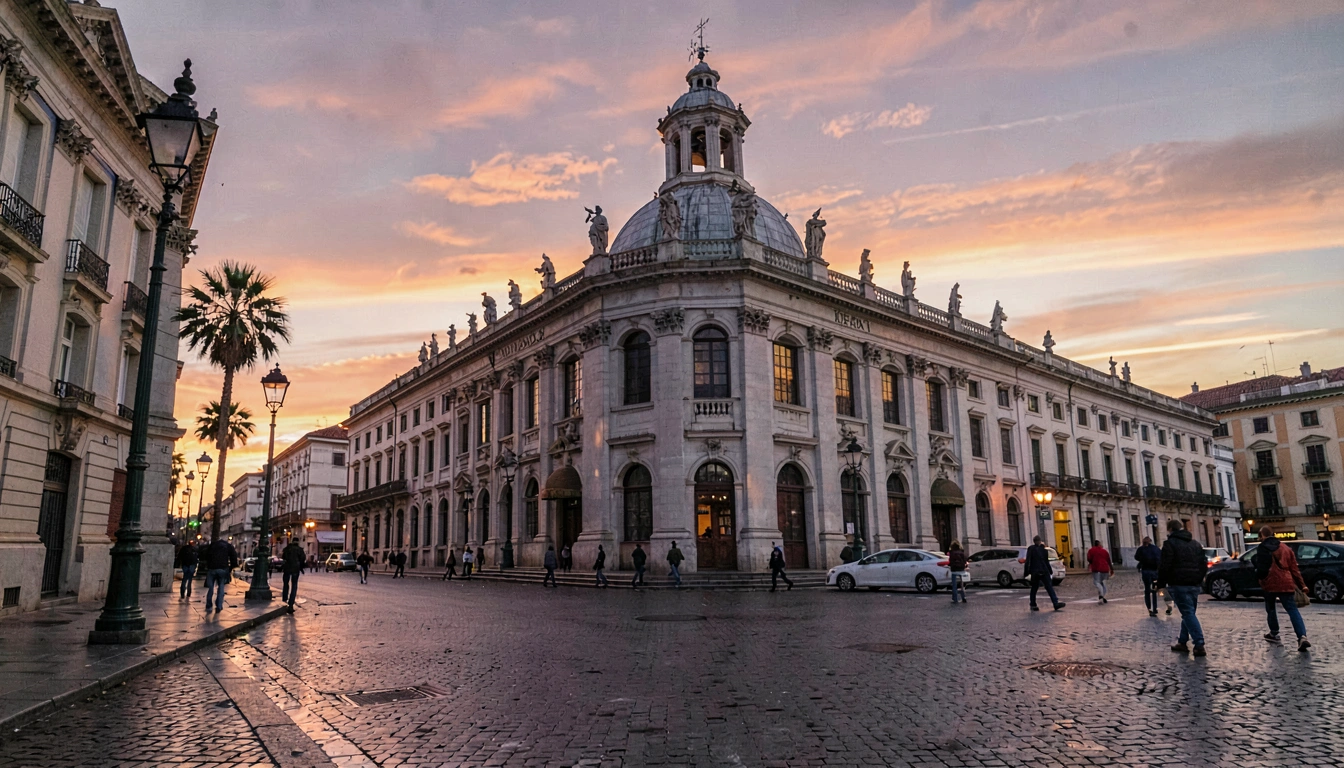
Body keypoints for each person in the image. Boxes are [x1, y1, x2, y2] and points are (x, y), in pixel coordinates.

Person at [1254, 527, 1311, 652]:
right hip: (1286, 581)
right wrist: (1302, 585)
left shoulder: (1262, 547)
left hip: (1269, 582)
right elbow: (1294, 569)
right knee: (1292, 609)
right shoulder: (1285, 548)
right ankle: (1302, 636)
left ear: (1262, 535)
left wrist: (1260, 579)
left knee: (1271, 609)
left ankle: (1274, 633)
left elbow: (1261, 567)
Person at [1157, 519, 1207, 656]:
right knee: (1189, 612)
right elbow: (1203, 563)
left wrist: (1161, 584)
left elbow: (1164, 566)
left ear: (1170, 530)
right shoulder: (1195, 544)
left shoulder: (1170, 544)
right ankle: (1182, 641)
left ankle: (1199, 643)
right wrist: (1199, 579)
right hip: (1194, 584)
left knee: (1188, 613)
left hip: (1178, 583)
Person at [1025, 536, 1064, 612]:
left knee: (1034, 588)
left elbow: (1028, 561)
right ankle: (1055, 603)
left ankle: (1033, 604)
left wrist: (1027, 572)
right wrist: (1050, 571)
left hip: (1035, 571)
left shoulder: (1031, 549)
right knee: (1049, 587)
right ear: (1040, 541)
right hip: (1044, 570)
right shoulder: (1043, 550)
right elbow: (1046, 562)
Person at [201, 537, 239, 615]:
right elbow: (233, 556)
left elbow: (206, 555)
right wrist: (231, 567)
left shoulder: (212, 545)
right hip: (223, 568)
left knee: (210, 587)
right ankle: (219, 605)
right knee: (221, 586)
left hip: (212, 568)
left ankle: (209, 604)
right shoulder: (228, 546)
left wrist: (208, 565)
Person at [1135, 536, 1162, 616]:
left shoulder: (1141, 549)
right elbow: (1160, 558)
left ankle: (1149, 608)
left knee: (1147, 589)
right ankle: (1155, 608)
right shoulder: (1155, 548)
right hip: (1155, 571)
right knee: (1154, 590)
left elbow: (1136, 557)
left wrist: (1142, 560)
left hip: (1145, 571)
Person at [280, 539, 305, 611]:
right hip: (295, 569)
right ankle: (291, 603)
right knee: (294, 585)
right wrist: (301, 568)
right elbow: (303, 559)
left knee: (285, 584)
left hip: (287, 568)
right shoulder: (300, 550)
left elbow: (283, 557)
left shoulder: (287, 549)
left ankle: (284, 598)